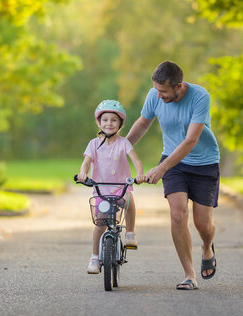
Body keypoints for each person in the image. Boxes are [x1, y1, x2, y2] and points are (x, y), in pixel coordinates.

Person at [127, 61, 220, 290]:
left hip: (204, 163)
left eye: (163, 91)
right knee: (178, 215)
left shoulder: (200, 97)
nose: (158, 96)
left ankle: (207, 247)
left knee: (202, 224)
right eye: (156, 90)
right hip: (173, 163)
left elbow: (190, 140)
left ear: (179, 87)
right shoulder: (154, 95)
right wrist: (120, 149)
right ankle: (189, 275)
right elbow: (142, 123)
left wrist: (161, 168)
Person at [77, 99, 147, 274]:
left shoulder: (124, 143)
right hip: (101, 189)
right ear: (99, 122)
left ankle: (130, 233)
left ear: (120, 123)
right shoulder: (93, 144)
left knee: (129, 199)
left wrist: (140, 174)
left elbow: (136, 161)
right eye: (105, 120)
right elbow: (86, 163)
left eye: (113, 120)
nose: (109, 123)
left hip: (120, 187)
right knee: (100, 224)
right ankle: (94, 258)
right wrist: (83, 174)